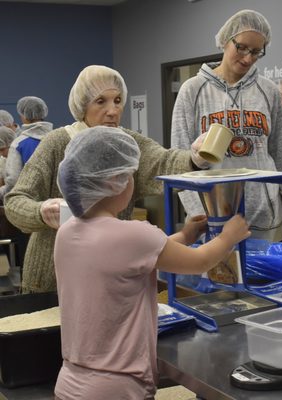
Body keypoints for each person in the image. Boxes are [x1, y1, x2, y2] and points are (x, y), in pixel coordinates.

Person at [53, 127, 250, 399]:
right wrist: (229, 236)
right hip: (117, 388)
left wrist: (185, 235)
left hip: (70, 382)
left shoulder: (67, 231)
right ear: (115, 182)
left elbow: (136, 256)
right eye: (131, 175)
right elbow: (200, 261)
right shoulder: (132, 235)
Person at [4, 65, 207, 293]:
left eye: (118, 100)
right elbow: (15, 201)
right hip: (52, 279)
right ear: (82, 106)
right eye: (101, 101)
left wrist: (195, 158)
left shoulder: (127, 144)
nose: (113, 110)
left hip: (111, 271)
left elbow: (163, 162)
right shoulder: (57, 143)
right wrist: (40, 211)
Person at [171, 9, 282, 243]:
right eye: (241, 48)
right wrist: (202, 217)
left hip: (265, 219)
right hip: (213, 220)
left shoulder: (268, 92)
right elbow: (180, 164)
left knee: (265, 279)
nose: (248, 58)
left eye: (256, 52)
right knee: (222, 277)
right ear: (226, 41)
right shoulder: (192, 90)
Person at [0, 96, 53, 200]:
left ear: (24, 116)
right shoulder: (58, 138)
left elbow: (13, 182)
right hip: (55, 203)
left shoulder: (19, 144)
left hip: (28, 203)